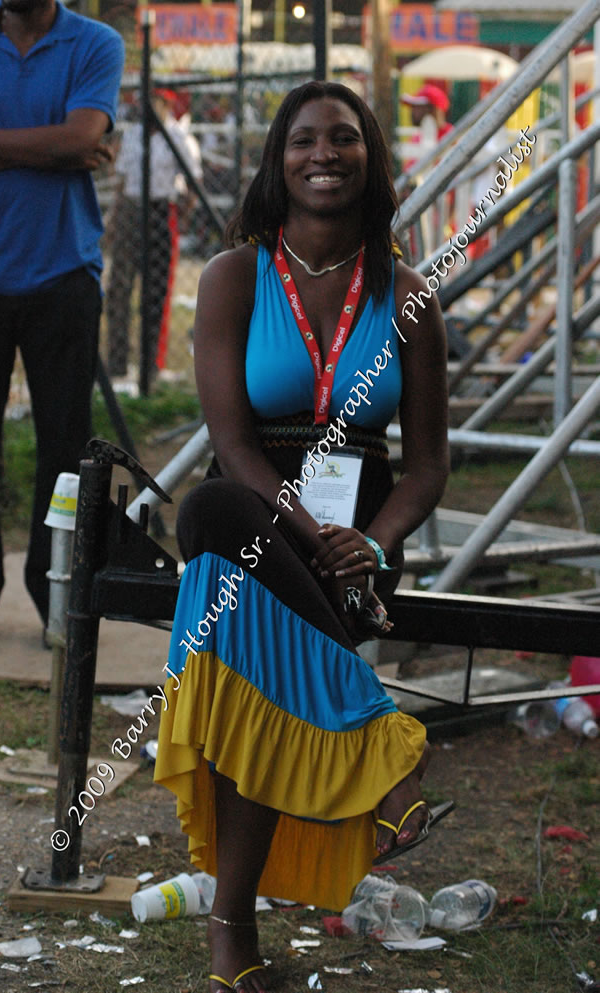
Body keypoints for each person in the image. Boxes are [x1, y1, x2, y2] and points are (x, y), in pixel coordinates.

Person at [154, 81, 451, 993]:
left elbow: (429, 464)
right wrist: (314, 538)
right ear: (277, 162)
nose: (324, 153)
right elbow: (233, 446)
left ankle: (230, 943)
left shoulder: (408, 292)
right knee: (211, 513)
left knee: (248, 641)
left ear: (370, 160)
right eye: (304, 140)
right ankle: (379, 747)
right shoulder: (235, 276)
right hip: (266, 524)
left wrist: (376, 544)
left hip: (353, 561)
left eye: (345, 139)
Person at [0, 0, 124, 645]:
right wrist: (51, 150)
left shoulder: (95, 43)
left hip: (62, 275)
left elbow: (80, 140)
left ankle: (58, 598)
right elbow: (71, 144)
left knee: (65, 449)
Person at [105, 88, 202, 376]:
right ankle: (117, 361)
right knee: (119, 287)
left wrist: (182, 214)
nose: (145, 107)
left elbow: (193, 181)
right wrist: (114, 217)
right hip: (131, 208)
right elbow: (122, 180)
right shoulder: (134, 134)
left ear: (166, 104)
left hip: (161, 207)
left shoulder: (178, 136)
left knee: (156, 290)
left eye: (153, 102)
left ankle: (151, 364)